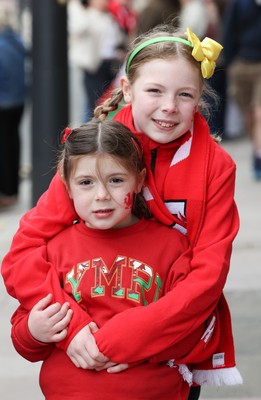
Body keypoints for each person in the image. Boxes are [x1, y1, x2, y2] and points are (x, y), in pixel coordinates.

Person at [2, 25, 243, 398]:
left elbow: (207, 275)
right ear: (127, 89)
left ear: (199, 99)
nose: (168, 106)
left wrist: (124, 339)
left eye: (184, 95)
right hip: (83, 344)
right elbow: (25, 249)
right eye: (154, 91)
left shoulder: (216, 166)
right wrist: (75, 327)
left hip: (169, 337)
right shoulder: (95, 152)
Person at [10, 118, 220, 399]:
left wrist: (139, 345)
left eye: (116, 180)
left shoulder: (172, 246)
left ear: (139, 180)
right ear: (66, 187)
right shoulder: (52, 251)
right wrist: (34, 331)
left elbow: (191, 328)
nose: (102, 195)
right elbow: (25, 341)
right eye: (86, 182)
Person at [222, 0, 261, 179]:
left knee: (259, 113)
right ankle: (257, 147)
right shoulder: (240, 4)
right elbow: (229, 30)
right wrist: (231, 62)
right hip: (241, 65)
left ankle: (259, 157)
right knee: (249, 116)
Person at [68, 0, 125, 122]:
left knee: (106, 100)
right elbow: (79, 27)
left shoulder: (108, 17)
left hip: (110, 65)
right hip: (93, 67)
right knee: (94, 103)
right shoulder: (86, 15)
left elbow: (115, 40)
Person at [0, 6, 27, 207]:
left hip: (3, 101)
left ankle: (5, 192)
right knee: (13, 143)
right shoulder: (17, 41)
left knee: (3, 147)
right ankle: (12, 191)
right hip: (18, 101)